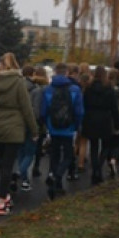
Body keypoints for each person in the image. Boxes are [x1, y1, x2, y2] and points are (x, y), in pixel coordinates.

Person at [0, 53, 37, 216]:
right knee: (8, 164)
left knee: (0, 161)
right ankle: (2, 199)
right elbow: (26, 108)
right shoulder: (18, 82)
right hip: (14, 126)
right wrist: (34, 130)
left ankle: (4, 193)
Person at [39, 62, 84, 197]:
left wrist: (46, 124)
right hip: (69, 128)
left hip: (53, 127)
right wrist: (76, 125)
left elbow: (43, 111)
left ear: (55, 72)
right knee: (68, 155)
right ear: (66, 73)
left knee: (55, 155)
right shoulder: (75, 89)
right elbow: (79, 111)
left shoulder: (48, 89)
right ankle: (58, 176)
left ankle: (55, 180)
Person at [81, 65, 119, 185]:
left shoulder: (88, 88)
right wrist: (117, 122)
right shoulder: (109, 88)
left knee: (93, 146)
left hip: (91, 118)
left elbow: (84, 104)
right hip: (105, 119)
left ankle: (95, 170)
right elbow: (114, 107)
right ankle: (99, 167)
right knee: (106, 146)